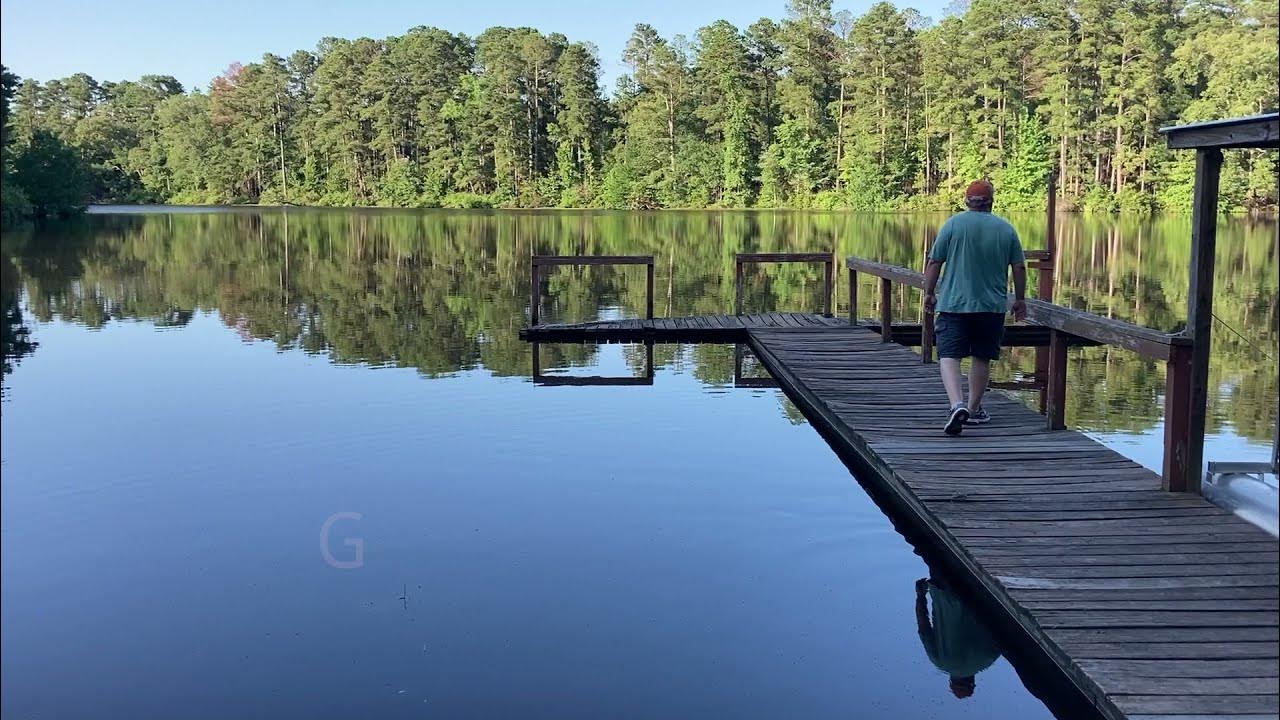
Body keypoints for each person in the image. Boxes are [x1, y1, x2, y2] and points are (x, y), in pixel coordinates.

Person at [923, 179, 1027, 435]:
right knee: (981, 356)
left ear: (966, 201)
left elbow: (935, 262)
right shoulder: (1006, 229)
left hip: (953, 303)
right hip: (991, 306)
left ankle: (956, 404)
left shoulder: (953, 225)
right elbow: (1019, 267)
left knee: (949, 356)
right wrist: (1020, 299)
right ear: (992, 201)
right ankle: (974, 408)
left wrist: (928, 292)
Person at [915, 577, 1001, 699]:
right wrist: (921, 595)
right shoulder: (940, 662)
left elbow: (1002, 631)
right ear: (951, 681)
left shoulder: (988, 659)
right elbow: (923, 627)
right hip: (942, 589)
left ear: (973, 681)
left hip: (979, 591)